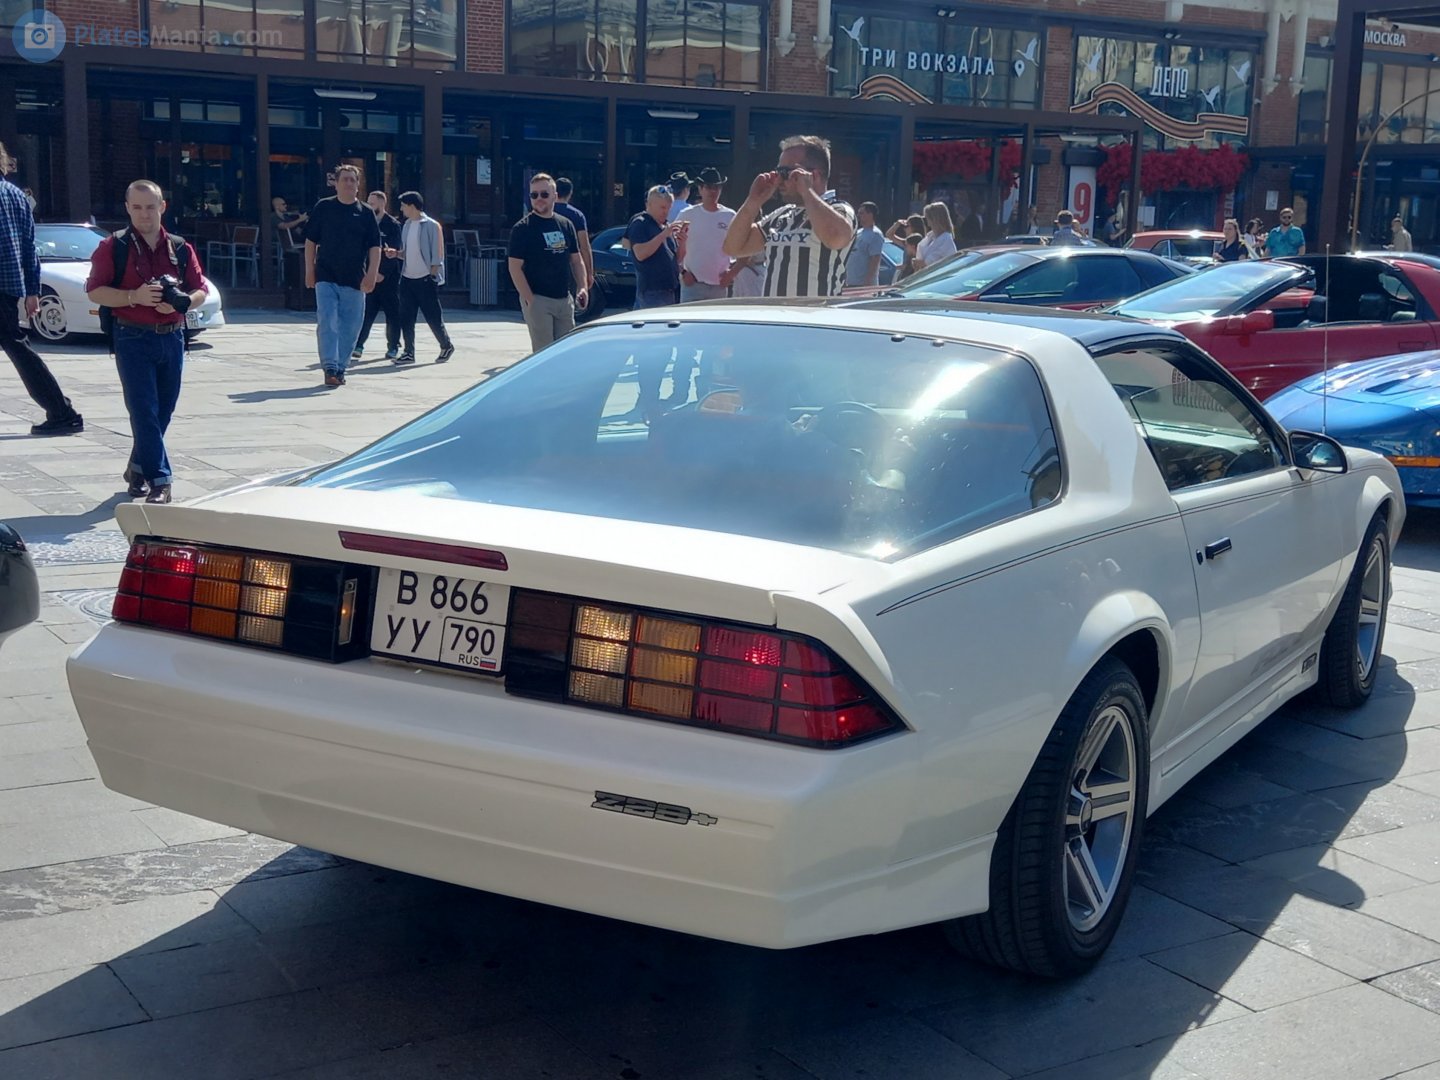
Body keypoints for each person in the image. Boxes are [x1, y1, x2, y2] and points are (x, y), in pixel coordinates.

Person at [85, 179, 207, 503]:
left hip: (172, 337)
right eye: (137, 207)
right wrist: (133, 296)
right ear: (127, 208)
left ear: (162, 207)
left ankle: (137, 468)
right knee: (143, 411)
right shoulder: (114, 246)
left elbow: (200, 290)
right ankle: (160, 480)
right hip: (131, 336)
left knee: (162, 412)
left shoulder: (180, 247)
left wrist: (181, 303)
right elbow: (95, 290)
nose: (144, 214)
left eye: (150, 207)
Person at [0, 141, 84, 437]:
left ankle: (62, 411)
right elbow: (28, 248)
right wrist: (33, 289)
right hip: (8, 288)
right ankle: (61, 411)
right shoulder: (16, 195)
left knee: (17, 347)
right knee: (17, 346)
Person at [723, 134, 856, 298]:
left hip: (814, 319)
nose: (779, 180)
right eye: (777, 171)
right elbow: (733, 247)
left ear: (813, 175)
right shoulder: (781, 215)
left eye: (786, 172)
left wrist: (807, 192)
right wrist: (752, 202)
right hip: (777, 320)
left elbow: (836, 238)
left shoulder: (839, 209)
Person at [304, 163, 379, 387]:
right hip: (326, 275)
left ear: (358, 186)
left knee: (351, 325)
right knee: (327, 320)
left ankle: (340, 367)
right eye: (344, 179)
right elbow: (310, 241)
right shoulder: (323, 207)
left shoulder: (365, 212)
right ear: (335, 183)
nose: (348, 183)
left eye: (352, 180)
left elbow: (375, 246)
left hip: (355, 278)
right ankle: (329, 367)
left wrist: (372, 274)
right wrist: (310, 270)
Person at [507, 174, 586, 353]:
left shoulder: (566, 224)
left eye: (544, 194)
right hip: (538, 299)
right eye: (534, 195)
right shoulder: (522, 228)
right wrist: (530, 299)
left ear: (555, 196)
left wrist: (582, 287)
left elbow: (576, 259)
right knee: (544, 353)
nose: (539, 199)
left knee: (566, 352)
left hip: (563, 299)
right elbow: (514, 267)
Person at [397, 191, 456, 365]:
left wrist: (432, 275)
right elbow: (407, 252)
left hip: (425, 278)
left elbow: (437, 255)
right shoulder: (407, 225)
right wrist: (396, 254)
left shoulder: (431, 225)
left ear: (411, 205)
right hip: (407, 277)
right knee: (406, 316)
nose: (401, 209)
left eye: (403, 205)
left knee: (433, 316)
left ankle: (446, 345)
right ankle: (408, 351)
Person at [352, 190, 402, 362]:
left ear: (382, 204)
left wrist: (382, 273)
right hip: (369, 276)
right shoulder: (366, 222)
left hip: (388, 278)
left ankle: (393, 346)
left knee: (392, 313)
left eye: (372, 203)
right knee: (367, 312)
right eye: (368, 203)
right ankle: (358, 345)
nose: (369, 206)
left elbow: (394, 251)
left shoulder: (393, 225)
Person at [677, 167, 736, 302]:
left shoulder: (730, 216)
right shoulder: (687, 215)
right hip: (692, 285)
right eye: (709, 187)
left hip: (719, 287)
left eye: (717, 187)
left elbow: (742, 248)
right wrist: (683, 272)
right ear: (700, 189)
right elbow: (669, 247)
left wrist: (731, 274)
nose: (713, 191)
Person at [626, 184, 681, 309]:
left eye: (668, 208)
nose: (666, 212)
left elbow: (678, 259)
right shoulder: (640, 223)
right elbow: (640, 254)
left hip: (670, 289)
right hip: (651, 291)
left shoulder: (666, 226)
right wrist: (663, 235)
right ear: (649, 204)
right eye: (662, 207)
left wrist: (683, 241)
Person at [553, 177, 594, 294]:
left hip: (547, 260)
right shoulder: (577, 215)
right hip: (570, 261)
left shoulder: (546, 211)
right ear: (570, 193)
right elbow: (584, 246)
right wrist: (589, 272)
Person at [844, 201, 885, 289]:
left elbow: (875, 259)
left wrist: (868, 282)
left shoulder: (875, 234)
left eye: (862, 213)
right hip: (850, 282)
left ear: (870, 214)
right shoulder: (857, 232)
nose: (858, 216)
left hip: (863, 285)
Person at [915, 201, 957, 270]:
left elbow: (932, 262)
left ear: (934, 219)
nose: (925, 220)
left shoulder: (946, 239)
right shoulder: (930, 236)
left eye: (927, 217)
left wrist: (919, 263)